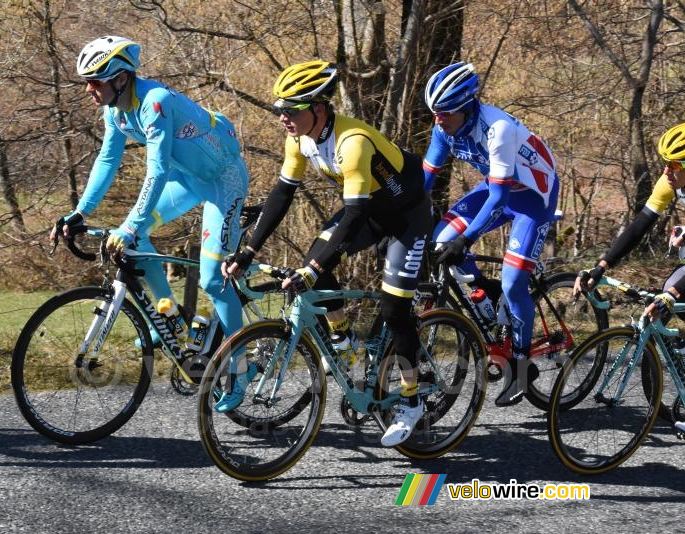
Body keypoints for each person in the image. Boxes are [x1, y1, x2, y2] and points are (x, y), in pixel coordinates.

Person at [223, 60, 432, 446]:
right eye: (279, 109)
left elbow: (355, 212)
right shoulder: (299, 138)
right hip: (368, 209)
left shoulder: (352, 143)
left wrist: (316, 267)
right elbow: (283, 193)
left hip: (406, 216)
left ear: (319, 108)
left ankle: (411, 398)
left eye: (292, 109)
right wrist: (249, 251)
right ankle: (343, 338)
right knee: (312, 265)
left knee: (393, 307)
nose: (283, 117)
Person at [53, 36, 249, 405]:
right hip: (188, 180)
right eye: (87, 82)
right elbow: (106, 161)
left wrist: (130, 225)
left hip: (224, 182)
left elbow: (156, 170)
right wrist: (81, 211)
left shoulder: (154, 102)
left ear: (121, 78)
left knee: (212, 278)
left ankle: (240, 368)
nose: (88, 90)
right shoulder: (114, 110)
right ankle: (170, 317)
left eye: (95, 81)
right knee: (130, 234)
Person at [422, 62, 560, 407]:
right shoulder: (444, 127)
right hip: (498, 186)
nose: (439, 120)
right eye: (435, 112)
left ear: (468, 106)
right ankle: (487, 292)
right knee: (440, 240)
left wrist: (465, 240)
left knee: (514, 282)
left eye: (446, 112)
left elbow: (498, 200)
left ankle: (521, 364)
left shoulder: (498, 129)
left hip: (532, 197)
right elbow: (425, 180)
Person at [577, 119, 685, 440]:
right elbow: (640, 224)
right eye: (665, 164)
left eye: (673, 165)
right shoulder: (672, 180)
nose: (667, 172)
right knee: (681, 294)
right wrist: (601, 266)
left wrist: (671, 294)